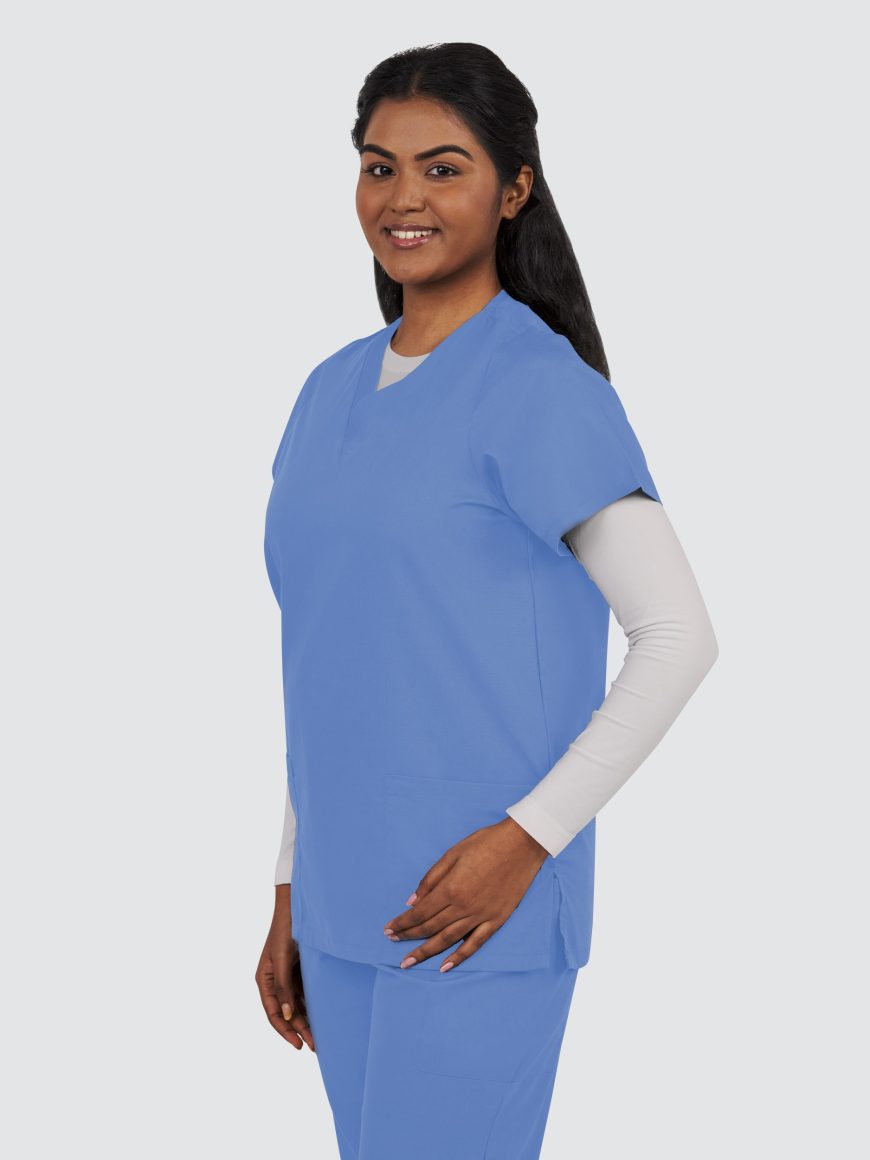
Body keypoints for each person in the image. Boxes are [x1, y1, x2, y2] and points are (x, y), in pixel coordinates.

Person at [254, 42, 718, 1160]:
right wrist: (289, 881)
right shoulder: (326, 391)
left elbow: (679, 637)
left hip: (478, 913)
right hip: (341, 902)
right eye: (379, 166)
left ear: (514, 190)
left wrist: (527, 841)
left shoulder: (539, 385)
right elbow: (333, 657)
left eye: (443, 167)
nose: (403, 197)